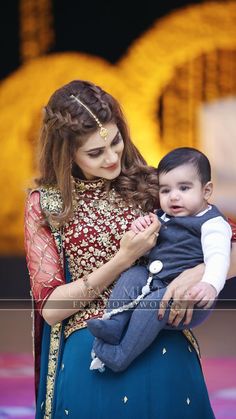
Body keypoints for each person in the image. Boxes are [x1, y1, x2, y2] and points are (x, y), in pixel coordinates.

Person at [24, 80, 236, 419]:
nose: (112, 158)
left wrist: (198, 273)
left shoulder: (153, 185)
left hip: (160, 327)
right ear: (66, 153)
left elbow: (227, 239)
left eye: (116, 142)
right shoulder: (47, 203)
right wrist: (122, 259)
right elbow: (51, 309)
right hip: (89, 335)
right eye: (95, 153)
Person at [87, 147, 232, 373]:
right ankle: (115, 322)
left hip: (188, 297)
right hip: (154, 281)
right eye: (165, 190)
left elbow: (219, 258)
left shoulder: (212, 224)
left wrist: (210, 285)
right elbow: (148, 250)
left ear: (206, 190)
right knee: (133, 275)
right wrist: (140, 229)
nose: (173, 196)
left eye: (184, 188)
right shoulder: (162, 217)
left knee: (152, 305)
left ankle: (121, 355)